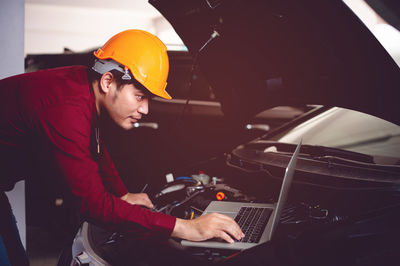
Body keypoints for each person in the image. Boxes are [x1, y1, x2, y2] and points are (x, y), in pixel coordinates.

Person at [0, 29, 244, 265]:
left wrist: (122, 194)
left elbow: (96, 147)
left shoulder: (82, 85)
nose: (146, 109)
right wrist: (185, 227)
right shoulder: (67, 109)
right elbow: (93, 205)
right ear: (108, 81)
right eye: (140, 96)